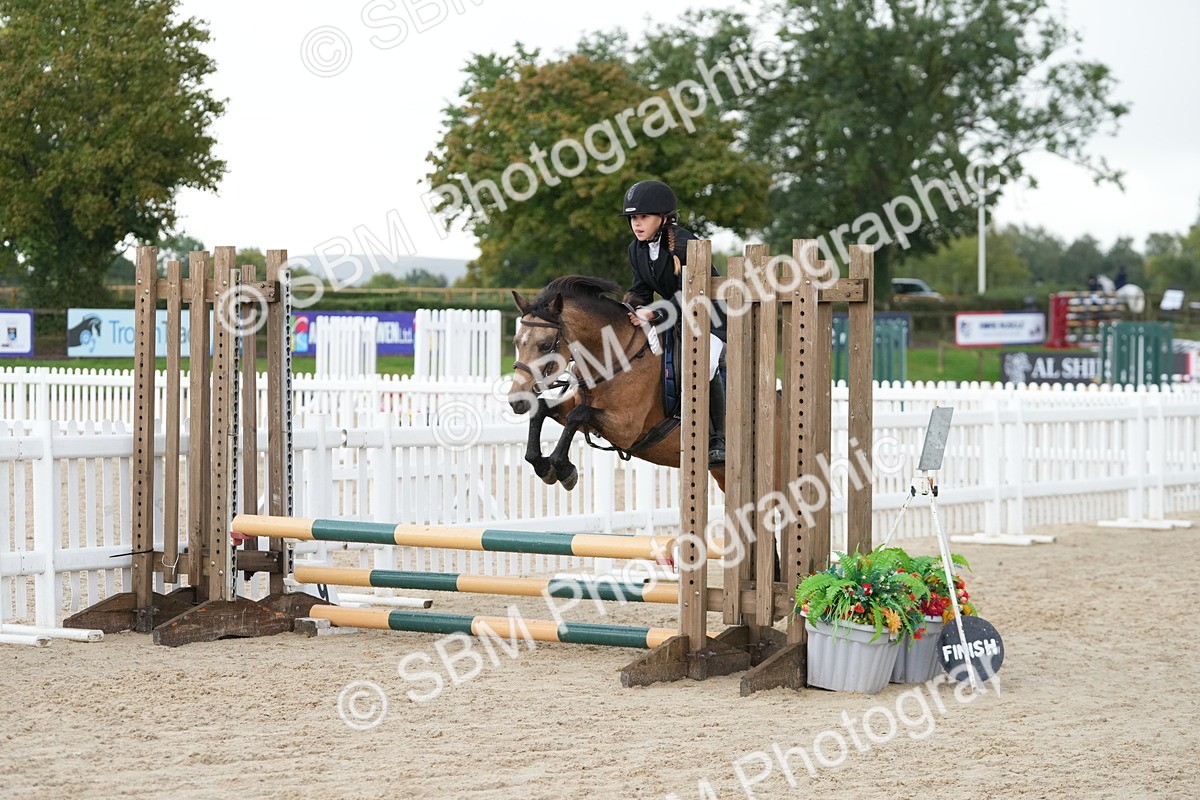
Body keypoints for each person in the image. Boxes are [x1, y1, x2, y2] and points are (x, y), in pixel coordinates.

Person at [618, 179, 728, 464]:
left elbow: (693, 295)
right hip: (680, 319)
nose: (637, 224)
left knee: (705, 365)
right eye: (633, 218)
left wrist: (654, 314)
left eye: (644, 217)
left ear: (664, 218)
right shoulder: (637, 249)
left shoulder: (685, 244)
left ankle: (721, 439)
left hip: (711, 316)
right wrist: (627, 309)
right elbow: (640, 290)